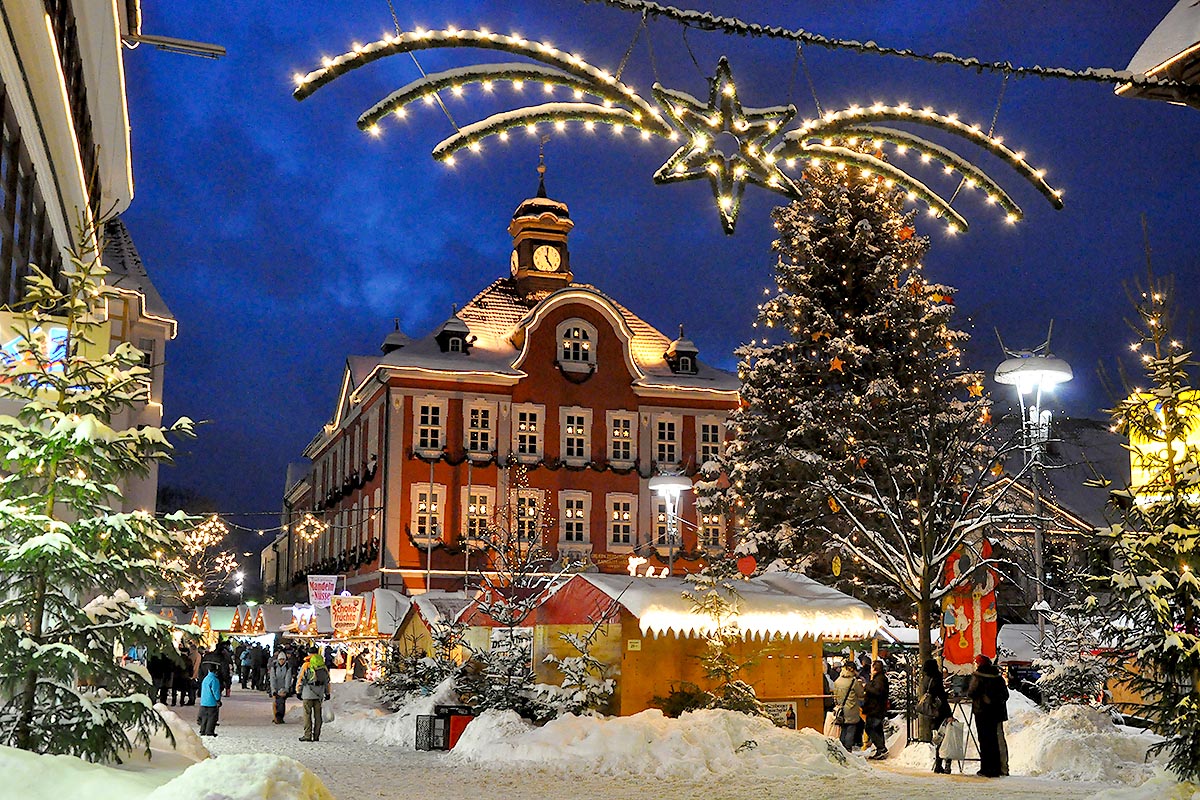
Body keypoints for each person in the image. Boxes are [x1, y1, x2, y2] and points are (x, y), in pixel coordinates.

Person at [968, 655, 1010, 778]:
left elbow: (971, 692)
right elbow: (1005, 695)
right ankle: (998, 768)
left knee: (984, 740)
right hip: (996, 713)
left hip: (982, 713)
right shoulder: (998, 676)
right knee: (995, 740)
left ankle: (986, 768)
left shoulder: (978, 676)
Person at [919, 658, 954, 773]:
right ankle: (945, 763)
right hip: (940, 711)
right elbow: (941, 696)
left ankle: (938, 764)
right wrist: (949, 713)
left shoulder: (925, 678)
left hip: (932, 711)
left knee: (939, 737)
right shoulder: (936, 677)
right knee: (946, 737)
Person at [296, 645, 331, 742]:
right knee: (318, 715)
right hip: (319, 694)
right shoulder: (323, 665)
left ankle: (307, 735)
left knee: (307, 715)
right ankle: (316, 735)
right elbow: (327, 681)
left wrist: (298, 691)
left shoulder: (306, 665)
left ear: (308, 654)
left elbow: (301, 678)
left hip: (308, 692)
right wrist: (327, 693)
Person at [831, 661, 865, 753]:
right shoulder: (854, 682)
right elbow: (861, 694)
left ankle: (841, 749)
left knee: (843, 729)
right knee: (851, 729)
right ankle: (848, 749)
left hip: (841, 709)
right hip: (851, 708)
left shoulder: (838, 680)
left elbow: (835, 695)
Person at [862, 661, 890, 760]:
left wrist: (867, 686)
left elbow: (877, 691)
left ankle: (881, 748)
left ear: (874, 669)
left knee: (870, 728)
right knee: (877, 729)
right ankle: (880, 749)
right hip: (877, 708)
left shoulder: (879, 679)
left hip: (875, 708)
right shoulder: (880, 678)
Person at [269, 649, 295, 724]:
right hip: (275, 687)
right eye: (280, 659)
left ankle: (280, 717)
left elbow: (288, 678)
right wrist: (273, 690)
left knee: (281, 703)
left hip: (283, 687)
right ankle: (276, 717)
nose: (282, 661)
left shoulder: (287, 667)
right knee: (275, 702)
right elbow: (272, 678)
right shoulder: (274, 667)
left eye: (283, 659)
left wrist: (286, 690)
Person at [197, 663, 221, 736]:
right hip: (211, 702)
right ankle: (209, 731)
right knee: (212, 717)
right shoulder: (214, 680)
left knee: (204, 717)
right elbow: (215, 691)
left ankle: (202, 730)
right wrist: (218, 700)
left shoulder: (206, 679)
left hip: (204, 702)